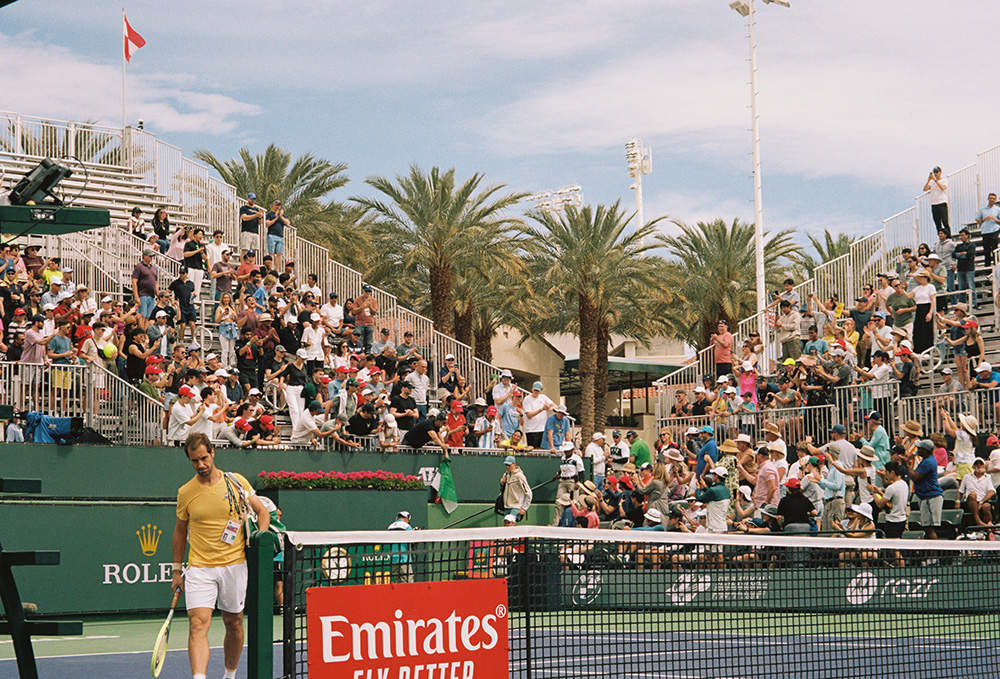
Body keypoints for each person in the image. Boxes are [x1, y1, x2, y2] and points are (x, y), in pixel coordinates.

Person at [171, 433, 268, 679]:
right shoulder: (186, 492)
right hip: (199, 568)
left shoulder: (236, 482)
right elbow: (180, 532)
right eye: (194, 461)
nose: (201, 465)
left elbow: (262, 512)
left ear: (212, 452)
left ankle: (229, 675)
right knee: (197, 624)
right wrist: (175, 571)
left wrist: (261, 539)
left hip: (234, 565)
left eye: (204, 458)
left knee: (234, 623)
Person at [908, 439, 943, 539]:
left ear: (925, 450)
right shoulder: (926, 460)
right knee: (926, 527)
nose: (917, 449)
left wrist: (907, 465)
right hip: (926, 496)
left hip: (932, 496)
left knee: (930, 528)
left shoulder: (928, 462)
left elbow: (915, 477)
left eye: (919, 448)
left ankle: (935, 553)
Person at [868, 460, 908, 540]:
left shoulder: (891, 488)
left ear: (892, 473)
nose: (886, 476)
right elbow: (890, 497)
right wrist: (878, 491)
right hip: (902, 520)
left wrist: (872, 493)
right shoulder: (904, 484)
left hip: (893, 521)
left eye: (887, 473)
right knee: (896, 546)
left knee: (894, 549)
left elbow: (880, 504)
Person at [958, 458, 996, 526]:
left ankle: (988, 526)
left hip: (982, 501)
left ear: (984, 466)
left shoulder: (987, 477)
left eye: (981, 464)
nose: (978, 465)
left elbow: (992, 491)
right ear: (973, 466)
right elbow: (960, 491)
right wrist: (957, 501)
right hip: (970, 502)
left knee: (987, 506)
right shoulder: (967, 477)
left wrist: (981, 502)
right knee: (972, 494)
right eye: (976, 463)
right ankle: (978, 521)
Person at [521, 380, 555, 448]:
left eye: (538, 390)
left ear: (541, 390)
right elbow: (529, 415)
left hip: (542, 429)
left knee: (542, 450)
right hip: (531, 430)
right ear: (532, 389)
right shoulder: (527, 399)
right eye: (535, 390)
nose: (536, 392)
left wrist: (551, 408)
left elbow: (555, 405)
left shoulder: (543, 397)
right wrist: (542, 409)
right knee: (532, 450)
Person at [500, 455, 532, 524]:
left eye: (509, 465)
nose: (507, 467)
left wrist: (524, 508)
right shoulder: (506, 475)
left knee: (510, 523)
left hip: (516, 506)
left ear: (514, 464)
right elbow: (502, 491)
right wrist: (502, 484)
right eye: (506, 465)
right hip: (506, 506)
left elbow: (528, 492)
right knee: (506, 524)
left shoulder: (520, 476)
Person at [131, 249, 159, 319]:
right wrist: (137, 297)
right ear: (144, 256)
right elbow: (134, 282)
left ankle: (146, 330)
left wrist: (158, 295)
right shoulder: (139, 266)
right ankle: (142, 330)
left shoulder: (153, 268)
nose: (151, 258)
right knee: (142, 316)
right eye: (149, 256)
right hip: (142, 295)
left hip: (151, 296)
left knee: (149, 317)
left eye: (152, 256)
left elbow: (155, 282)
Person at [954, 228, 976, 309]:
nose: (961, 237)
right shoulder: (958, 246)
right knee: (961, 288)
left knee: (971, 287)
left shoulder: (972, 245)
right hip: (960, 269)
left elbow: (970, 254)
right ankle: (962, 305)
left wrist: (959, 255)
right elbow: (953, 254)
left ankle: (973, 304)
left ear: (967, 236)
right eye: (960, 235)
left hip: (969, 269)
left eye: (962, 235)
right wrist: (962, 254)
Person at [924, 166, 950, 236]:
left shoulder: (944, 181)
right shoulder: (931, 182)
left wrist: (935, 180)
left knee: (945, 221)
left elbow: (943, 187)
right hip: (934, 204)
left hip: (942, 203)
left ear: (940, 172)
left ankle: (948, 236)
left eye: (937, 172)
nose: (935, 173)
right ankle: (940, 236)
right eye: (934, 172)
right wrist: (929, 180)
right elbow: (925, 189)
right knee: (937, 223)